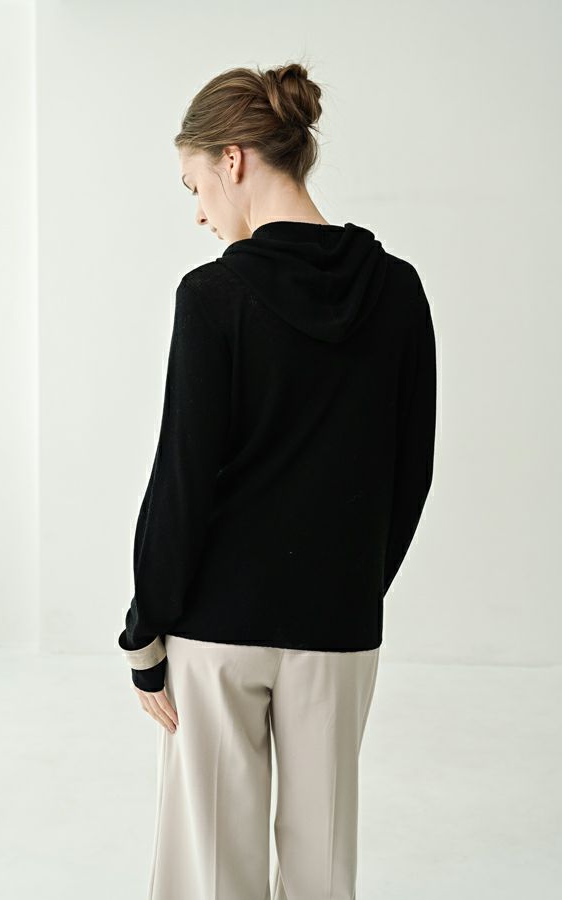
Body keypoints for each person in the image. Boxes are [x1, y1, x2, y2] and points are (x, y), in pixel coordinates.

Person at [117, 61, 437, 900]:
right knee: (323, 867)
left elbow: (182, 477)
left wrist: (146, 634)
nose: (198, 211)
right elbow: (412, 473)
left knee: (211, 876)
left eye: (194, 185)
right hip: (339, 625)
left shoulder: (213, 296)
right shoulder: (399, 292)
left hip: (216, 628)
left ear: (233, 160)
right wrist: (350, 585)